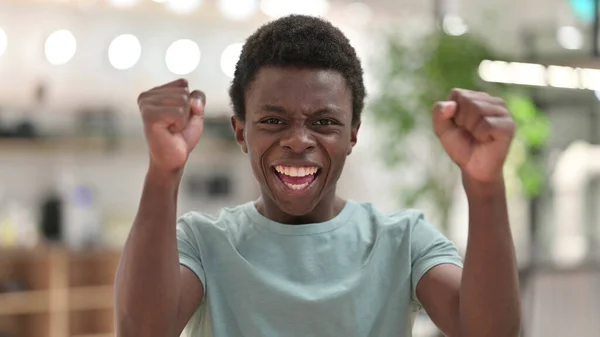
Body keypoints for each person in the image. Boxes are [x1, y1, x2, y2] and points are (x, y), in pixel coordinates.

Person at [114, 15, 521, 337]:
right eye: (273, 120)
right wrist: (163, 173)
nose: (297, 141)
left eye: (324, 121)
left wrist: (485, 188)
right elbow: (144, 332)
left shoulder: (403, 241)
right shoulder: (203, 244)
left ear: (352, 134)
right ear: (242, 132)